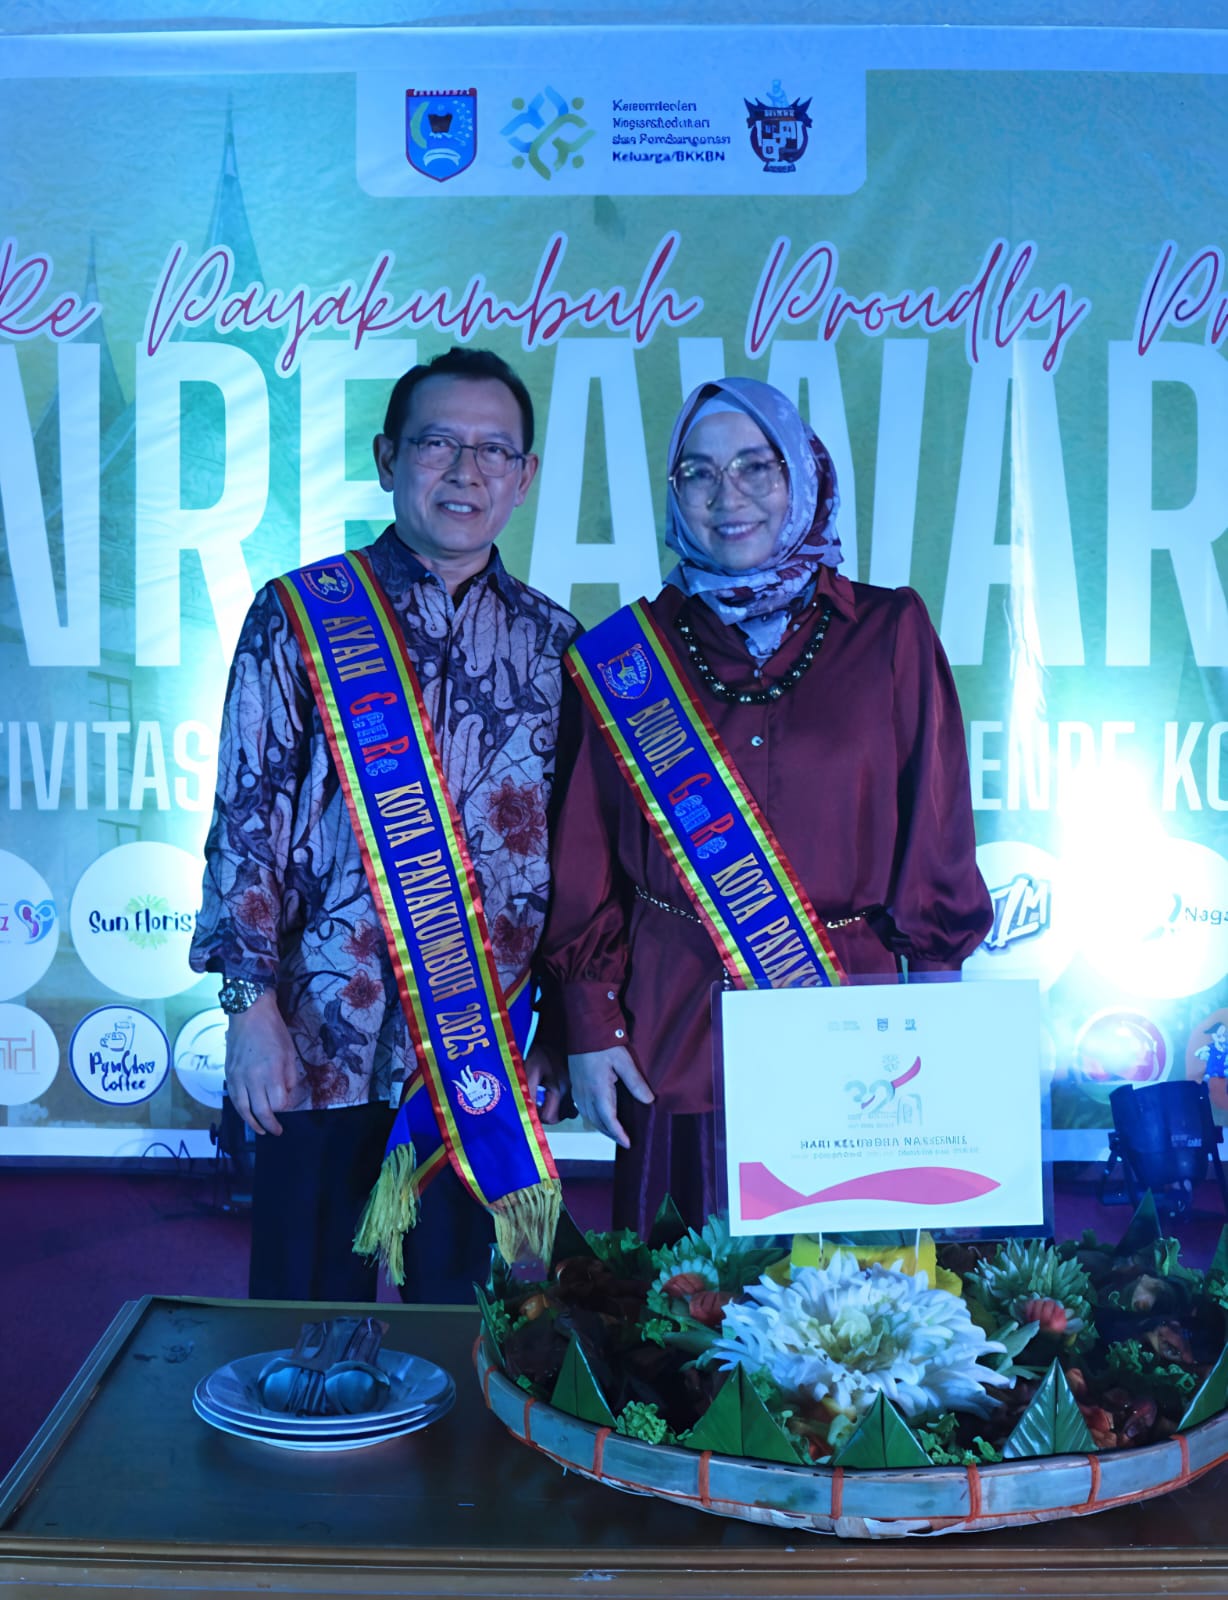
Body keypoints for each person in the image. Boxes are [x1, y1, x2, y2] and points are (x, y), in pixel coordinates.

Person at [541, 376, 993, 1236]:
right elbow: (586, 861)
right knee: (679, 1304)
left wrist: (939, 1035)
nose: (728, 496)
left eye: (757, 466)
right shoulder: (624, 658)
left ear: (804, 475)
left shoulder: (889, 632)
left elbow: (935, 842)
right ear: (674, 493)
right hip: (673, 1034)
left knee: (853, 1307)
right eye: (699, 473)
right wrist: (591, 1027)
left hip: (855, 1037)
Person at [189, 347, 579, 1302]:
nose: (466, 471)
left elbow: (579, 861)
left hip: (483, 1053)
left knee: (472, 1327)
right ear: (387, 457)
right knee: (303, 1326)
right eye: (438, 444)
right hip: (318, 1039)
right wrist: (249, 1012)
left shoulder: (557, 646)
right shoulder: (299, 617)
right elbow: (247, 818)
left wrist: (564, 1029)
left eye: (494, 450)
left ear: (525, 476)